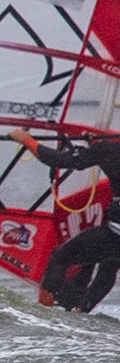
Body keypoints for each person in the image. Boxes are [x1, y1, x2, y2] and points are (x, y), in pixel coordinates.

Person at [9, 127, 120, 310]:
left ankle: (43, 315)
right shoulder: (107, 149)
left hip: (115, 234)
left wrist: (25, 139)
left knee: (61, 257)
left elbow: (57, 160)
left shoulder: (109, 150)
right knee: (108, 266)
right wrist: (97, 144)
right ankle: (80, 312)